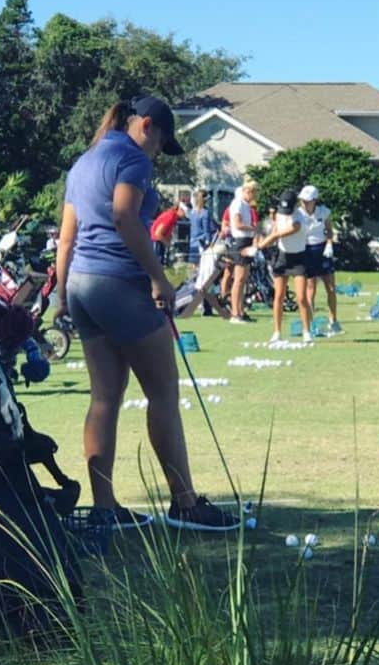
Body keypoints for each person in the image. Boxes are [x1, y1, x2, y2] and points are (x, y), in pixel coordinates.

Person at [54, 94, 236, 533]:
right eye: (161, 142)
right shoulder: (132, 160)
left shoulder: (83, 163)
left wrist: (61, 297)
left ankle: (104, 507)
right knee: (163, 394)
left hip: (81, 285)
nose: (158, 151)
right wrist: (158, 277)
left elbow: (65, 239)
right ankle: (185, 502)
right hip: (120, 284)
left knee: (104, 398)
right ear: (147, 126)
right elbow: (124, 217)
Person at [257, 189, 312, 343]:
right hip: (282, 257)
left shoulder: (299, 220)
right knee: (279, 296)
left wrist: (260, 246)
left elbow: (277, 235)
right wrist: (262, 241)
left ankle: (307, 331)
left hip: (299, 258)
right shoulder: (280, 214)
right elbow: (274, 229)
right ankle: (277, 332)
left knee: (301, 297)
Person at [299, 185, 342, 334]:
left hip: (322, 249)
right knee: (310, 288)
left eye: (308, 200)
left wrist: (329, 244)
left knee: (330, 287)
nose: (305, 203)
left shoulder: (323, 212)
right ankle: (310, 322)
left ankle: (333, 320)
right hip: (307, 250)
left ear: (315, 200)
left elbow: (329, 229)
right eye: (303, 200)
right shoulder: (298, 213)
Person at [226, 179, 259, 324]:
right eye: (253, 192)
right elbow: (238, 224)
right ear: (247, 191)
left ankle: (240, 310)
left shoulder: (246, 205)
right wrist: (254, 228)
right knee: (238, 279)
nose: (255, 196)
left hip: (247, 241)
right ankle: (235, 313)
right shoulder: (238, 203)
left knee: (244, 279)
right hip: (240, 242)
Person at [150, 197, 187, 264]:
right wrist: (167, 243)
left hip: (159, 242)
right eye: (184, 212)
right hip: (157, 243)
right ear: (180, 210)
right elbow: (158, 233)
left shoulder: (173, 216)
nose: (185, 215)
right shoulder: (171, 216)